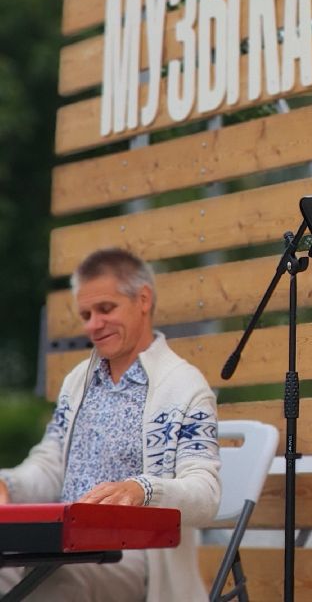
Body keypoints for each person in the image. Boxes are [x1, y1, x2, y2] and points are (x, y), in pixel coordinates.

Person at [0, 248, 220, 601]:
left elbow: (205, 494)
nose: (93, 325)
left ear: (143, 299)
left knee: (55, 578)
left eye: (105, 309)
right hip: (60, 545)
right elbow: (49, 466)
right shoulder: (77, 382)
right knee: (49, 571)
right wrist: (8, 485)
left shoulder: (184, 387)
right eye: (86, 314)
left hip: (139, 559)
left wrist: (141, 490)